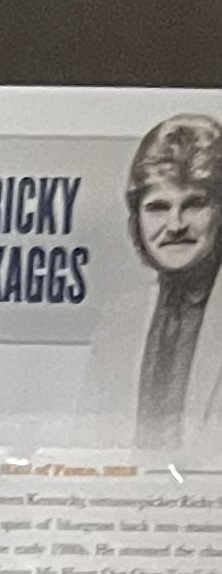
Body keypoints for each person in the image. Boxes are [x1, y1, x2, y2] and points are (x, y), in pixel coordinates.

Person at [78, 112, 222, 450]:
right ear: (137, 220)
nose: (175, 224)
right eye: (158, 207)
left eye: (194, 204)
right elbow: (87, 446)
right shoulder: (121, 317)